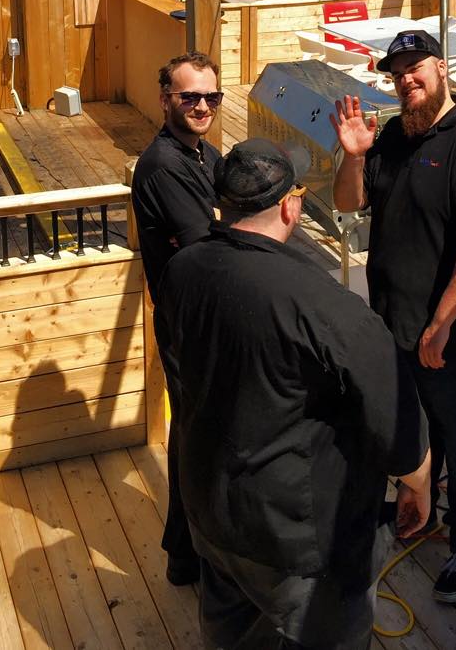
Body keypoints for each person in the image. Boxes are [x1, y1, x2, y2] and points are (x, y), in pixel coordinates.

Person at [163, 139, 432, 650]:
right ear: (291, 206)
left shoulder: (182, 270)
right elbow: (394, 412)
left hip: (211, 513)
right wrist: (417, 480)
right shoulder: (323, 305)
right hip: (298, 542)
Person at [332, 30, 456, 604]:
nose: (406, 79)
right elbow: (349, 202)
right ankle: (422, 509)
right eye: (397, 72)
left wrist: (440, 324)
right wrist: (353, 156)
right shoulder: (394, 134)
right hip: (392, 323)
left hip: (447, 334)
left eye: (416, 67)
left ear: (441, 68)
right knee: (414, 428)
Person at [128, 51, 223, 587]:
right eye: (190, 97)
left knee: (195, 434)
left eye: (212, 97)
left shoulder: (201, 153)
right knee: (197, 438)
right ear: (166, 99)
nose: (202, 106)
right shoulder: (165, 165)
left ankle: (186, 553)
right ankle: (190, 554)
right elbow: (205, 243)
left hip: (196, 316)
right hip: (190, 325)